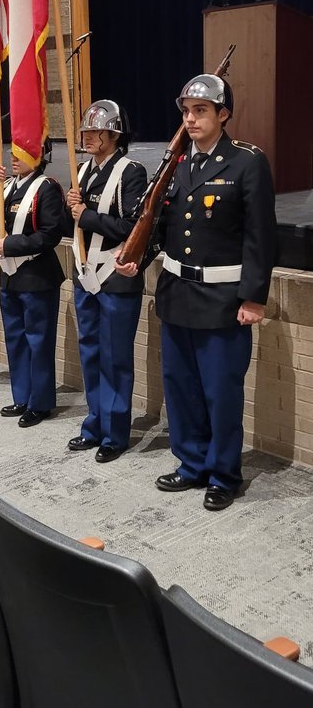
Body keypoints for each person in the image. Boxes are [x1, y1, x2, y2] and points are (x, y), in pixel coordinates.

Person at [117, 74, 277, 509]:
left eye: (201, 110)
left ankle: (223, 474)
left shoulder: (247, 162)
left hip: (224, 300)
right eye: (186, 111)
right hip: (176, 293)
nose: (191, 119)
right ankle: (191, 464)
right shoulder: (178, 166)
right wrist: (140, 258)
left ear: (223, 115)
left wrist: (253, 297)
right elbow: (162, 227)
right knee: (181, 387)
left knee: (220, 392)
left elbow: (260, 237)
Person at [61, 100, 147, 463]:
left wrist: (87, 215)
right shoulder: (81, 171)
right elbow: (77, 224)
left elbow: (131, 228)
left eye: (95, 131)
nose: (87, 136)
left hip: (115, 275)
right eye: (86, 131)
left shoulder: (131, 172)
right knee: (91, 353)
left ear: (114, 135)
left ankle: (115, 433)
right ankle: (94, 422)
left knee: (115, 357)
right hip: (85, 274)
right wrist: (73, 209)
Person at [0, 145, 65, 427]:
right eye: (12, 153)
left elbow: (51, 234)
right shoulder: (8, 187)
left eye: (21, 153)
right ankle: (22, 396)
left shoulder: (46, 188)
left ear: (39, 157)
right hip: (11, 277)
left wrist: (12, 245)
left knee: (38, 342)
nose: (13, 159)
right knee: (15, 339)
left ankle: (40, 403)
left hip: (37, 276)